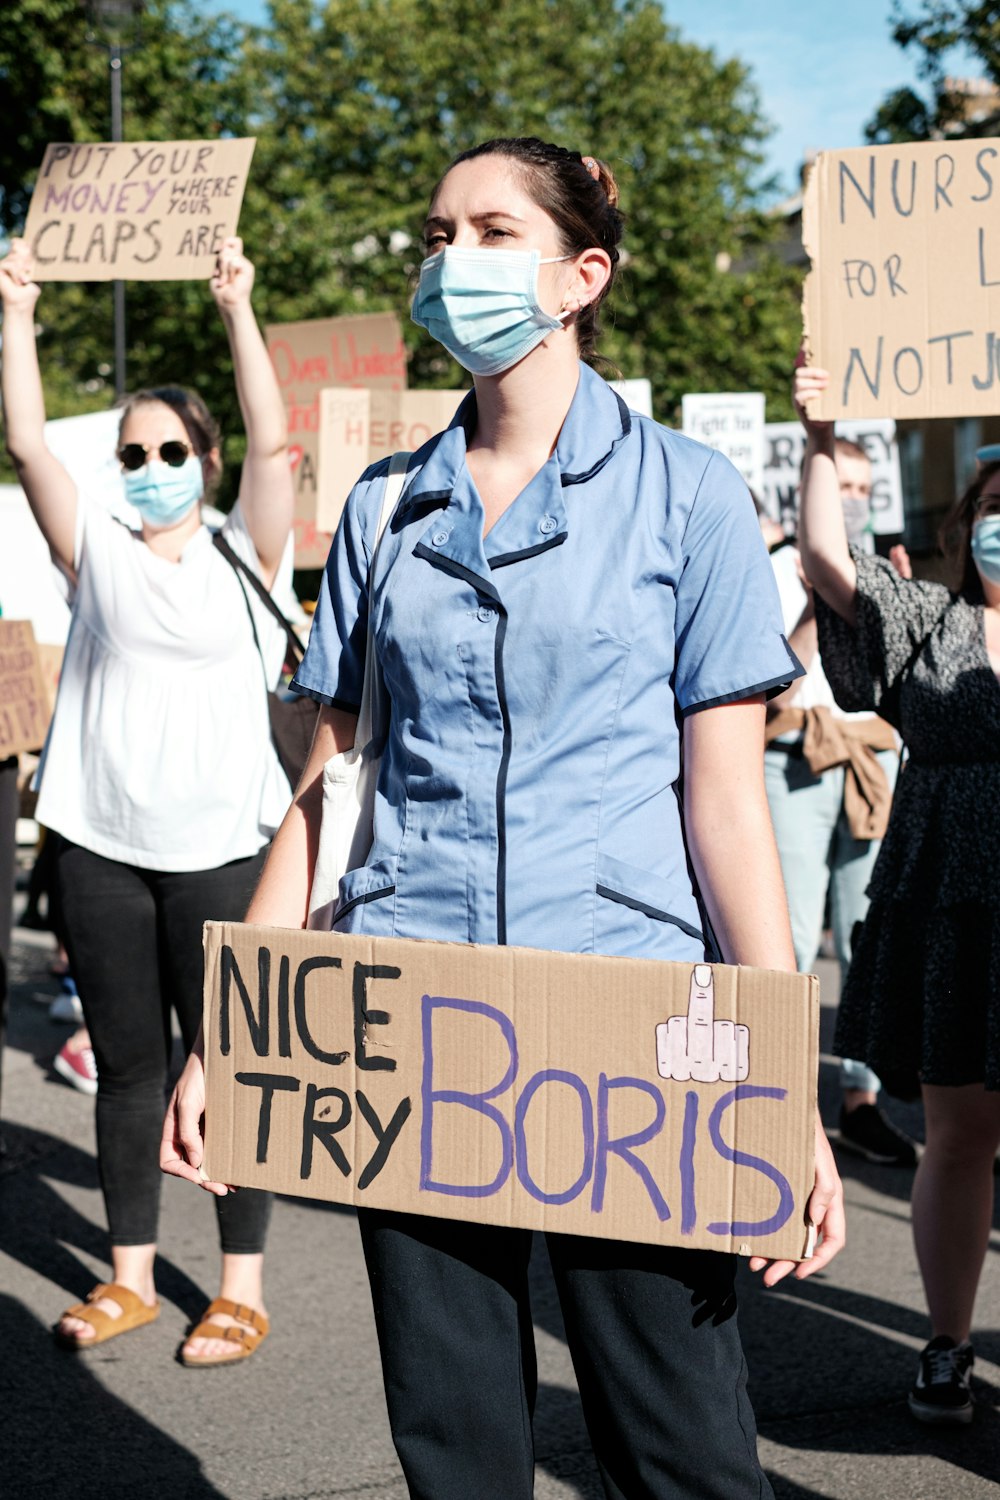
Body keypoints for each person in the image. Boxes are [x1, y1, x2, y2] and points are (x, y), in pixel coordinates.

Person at [163, 139, 844, 1495]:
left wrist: (784, 1089)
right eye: (436, 233)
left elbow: (725, 802)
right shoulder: (379, 509)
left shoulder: (689, 495)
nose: (449, 261)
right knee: (456, 1444)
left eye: (490, 231)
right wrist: (228, 1035)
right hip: (417, 1024)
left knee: (684, 1446)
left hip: (640, 1034)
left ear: (582, 273)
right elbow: (331, 782)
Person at [0, 234, 294, 1365]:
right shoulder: (100, 554)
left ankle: (239, 1287)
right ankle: (128, 1279)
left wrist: (237, 307)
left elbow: (276, 437)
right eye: (134, 452)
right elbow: (26, 441)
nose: (153, 463)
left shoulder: (243, 554)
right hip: (101, 850)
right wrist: (17, 311)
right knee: (128, 1068)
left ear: (206, 461)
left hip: (223, 847)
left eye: (173, 447)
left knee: (231, 1069)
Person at [794, 359, 1000, 1427]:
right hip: (955, 904)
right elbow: (826, 560)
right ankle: (948, 1341)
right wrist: (819, 431)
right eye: (996, 510)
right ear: (968, 529)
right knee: (958, 1133)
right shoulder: (926, 621)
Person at [764, 438, 917, 1167]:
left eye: (861, 484)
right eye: (838, 482)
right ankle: (784, 1105)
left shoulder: (891, 569)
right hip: (793, 760)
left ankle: (860, 1101)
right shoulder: (771, 566)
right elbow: (771, 684)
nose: (851, 497)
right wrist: (817, 604)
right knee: (789, 940)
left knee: (867, 938)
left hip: (872, 760)